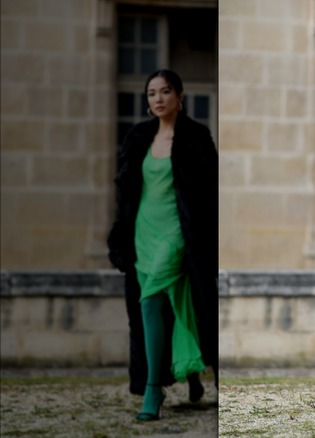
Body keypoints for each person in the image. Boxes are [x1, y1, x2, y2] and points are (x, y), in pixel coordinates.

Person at [108, 69, 218, 421]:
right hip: (143, 230)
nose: (157, 98)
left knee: (151, 300)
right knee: (172, 306)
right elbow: (125, 192)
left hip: (177, 232)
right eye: (151, 93)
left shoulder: (196, 137)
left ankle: (153, 390)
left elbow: (209, 194)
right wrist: (120, 233)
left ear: (179, 96)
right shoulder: (138, 137)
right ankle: (190, 375)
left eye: (165, 91)